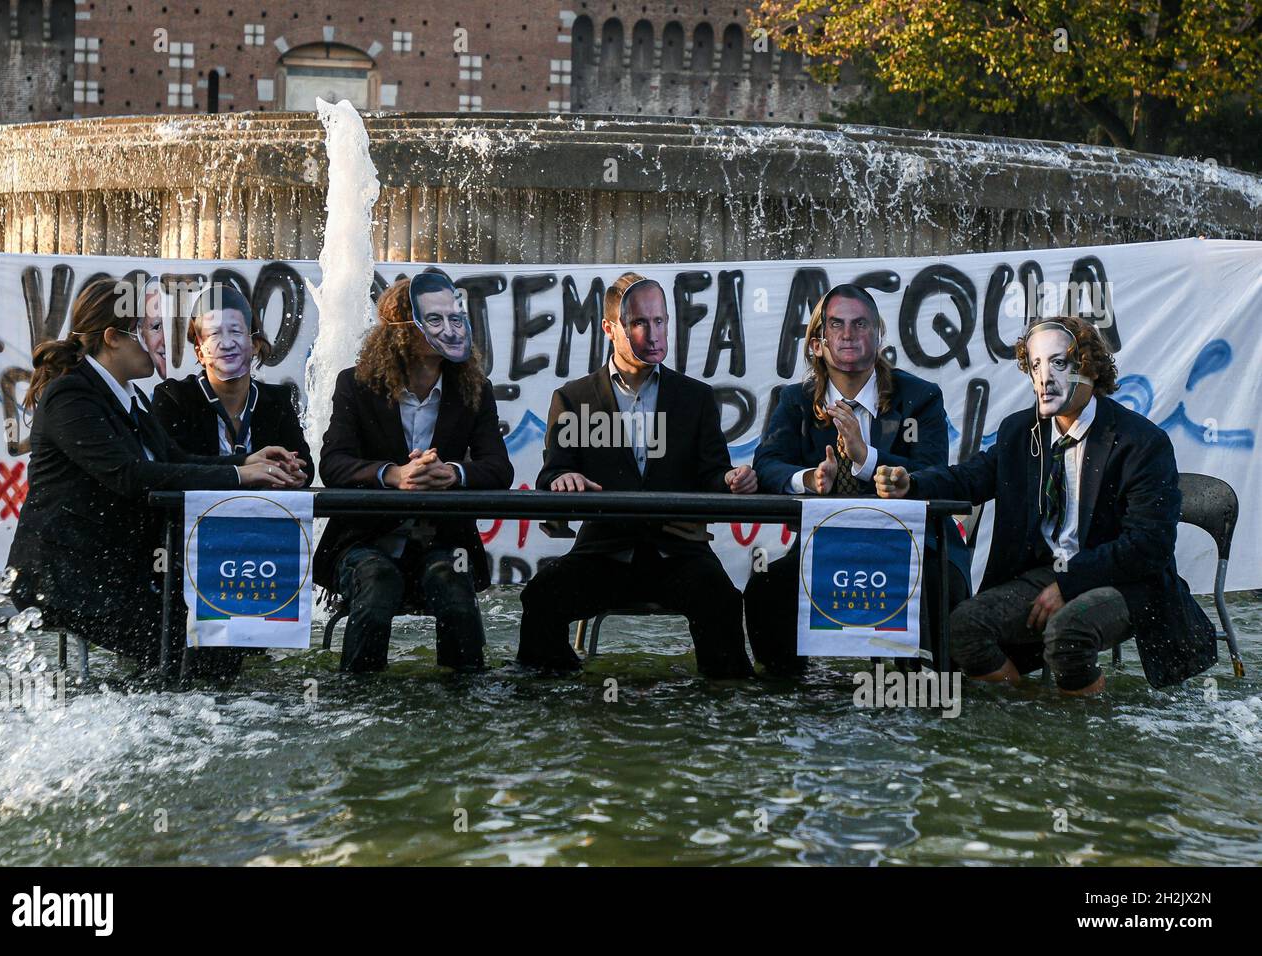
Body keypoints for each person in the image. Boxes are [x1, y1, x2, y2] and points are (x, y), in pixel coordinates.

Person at [876, 315, 1217, 694]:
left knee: (1068, 633)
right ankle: (1026, 719)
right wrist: (912, 482)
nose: (1044, 377)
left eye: (1058, 363)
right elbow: (969, 478)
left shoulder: (1141, 442)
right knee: (964, 628)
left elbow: (1148, 547)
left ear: (1087, 367)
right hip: (1044, 573)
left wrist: (1069, 581)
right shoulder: (1020, 432)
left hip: (1125, 581)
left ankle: (1090, 733)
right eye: (1035, 365)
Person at [6, 276, 307, 678]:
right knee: (199, 648)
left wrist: (251, 460)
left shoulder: (129, 395)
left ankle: (178, 713)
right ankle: (162, 721)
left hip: (115, 570)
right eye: (152, 328)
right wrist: (240, 475)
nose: (163, 340)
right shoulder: (70, 397)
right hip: (64, 576)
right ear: (113, 337)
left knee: (223, 636)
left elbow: (175, 459)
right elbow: (132, 476)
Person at [516, 272, 759, 679]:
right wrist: (563, 479)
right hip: (604, 553)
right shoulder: (572, 399)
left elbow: (713, 474)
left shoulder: (695, 398)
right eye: (640, 323)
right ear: (611, 329)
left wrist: (734, 480)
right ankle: (554, 697)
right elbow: (553, 471)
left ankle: (725, 710)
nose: (654, 334)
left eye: (660, 321)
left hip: (679, 553)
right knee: (541, 595)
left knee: (721, 599)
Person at [743, 284, 970, 675]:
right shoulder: (794, 400)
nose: (848, 333)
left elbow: (934, 470)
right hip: (824, 549)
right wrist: (810, 479)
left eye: (860, 324)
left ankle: (923, 693)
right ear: (818, 343)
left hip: (912, 549)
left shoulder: (921, 397)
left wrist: (868, 459)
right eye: (837, 325)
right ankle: (788, 697)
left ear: (878, 336)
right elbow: (768, 463)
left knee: (940, 583)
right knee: (767, 587)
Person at [313, 272, 513, 673]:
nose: (450, 329)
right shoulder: (355, 385)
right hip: (363, 540)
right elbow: (333, 463)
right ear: (402, 330)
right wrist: (392, 475)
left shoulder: (475, 389)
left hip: (441, 539)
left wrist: (453, 474)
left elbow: (498, 468)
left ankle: (465, 702)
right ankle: (357, 700)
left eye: (453, 318)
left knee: (454, 589)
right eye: (433, 320)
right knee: (377, 581)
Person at [152, 282, 314, 483]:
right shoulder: (174, 397)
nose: (227, 344)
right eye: (213, 334)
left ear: (254, 344)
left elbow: (304, 464)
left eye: (236, 331)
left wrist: (291, 471)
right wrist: (244, 465)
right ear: (199, 352)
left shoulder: (276, 400)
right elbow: (172, 465)